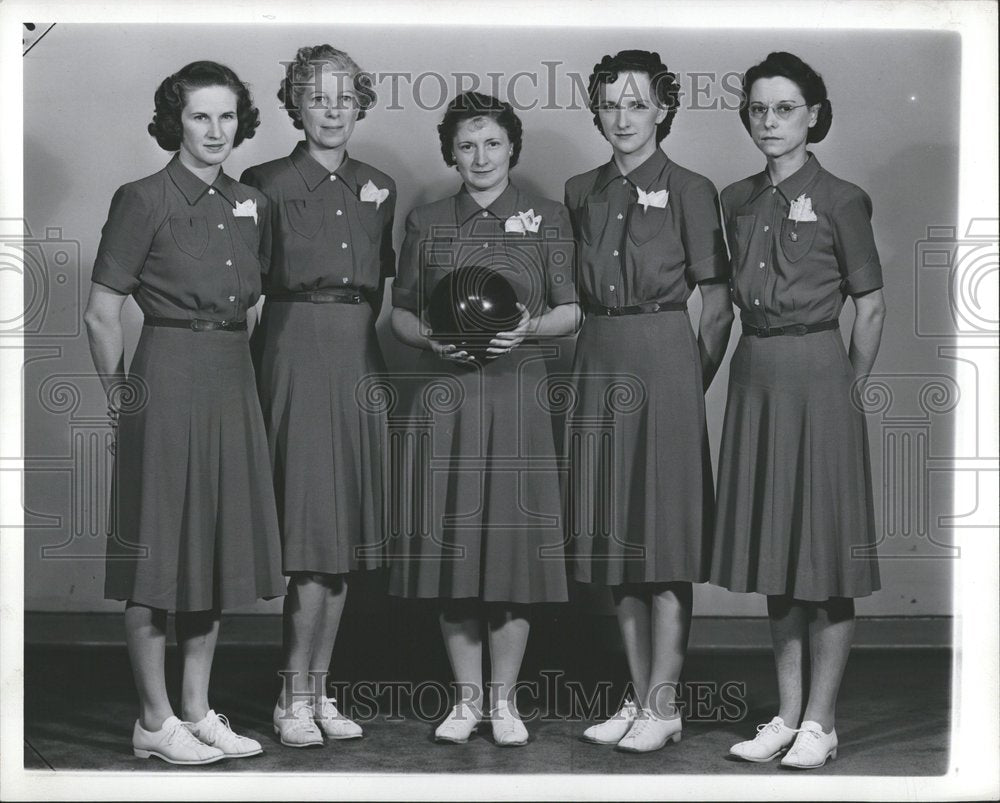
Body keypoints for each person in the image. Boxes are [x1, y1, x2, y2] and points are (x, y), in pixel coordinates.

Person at [83, 60, 285, 765]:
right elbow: (102, 310)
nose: (216, 130)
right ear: (176, 120)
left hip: (230, 381)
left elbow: (253, 304)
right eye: (201, 116)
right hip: (164, 379)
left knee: (214, 549)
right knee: (157, 552)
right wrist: (123, 404)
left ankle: (196, 710)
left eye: (227, 116)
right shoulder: (142, 198)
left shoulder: (249, 200)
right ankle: (153, 717)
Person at [710, 51, 887, 769]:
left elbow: (870, 305)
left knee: (827, 558)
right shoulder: (735, 198)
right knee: (777, 554)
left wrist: (847, 386)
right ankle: (786, 713)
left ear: (812, 114)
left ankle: (823, 720)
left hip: (820, 375)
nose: (769, 121)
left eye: (784, 108)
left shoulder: (843, 197)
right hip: (756, 374)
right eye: (758, 108)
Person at [389, 92, 580, 747]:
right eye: (466, 145)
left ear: (511, 148)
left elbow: (572, 309)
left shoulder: (548, 217)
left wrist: (528, 327)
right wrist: (428, 341)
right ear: (451, 151)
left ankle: (505, 702)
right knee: (457, 550)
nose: (480, 156)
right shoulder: (426, 221)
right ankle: (466, 700)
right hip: (450, 398)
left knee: (511, 553)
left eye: (492, 143)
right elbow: (402, 311)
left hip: (518, 396)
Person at [563, 50, 732, 753]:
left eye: (637, 103)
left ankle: (665, 703)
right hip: (598, 357)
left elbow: (718, 304)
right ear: (596, 110)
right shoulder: (580, 189)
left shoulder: (693, 187)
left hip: (665, 358)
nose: (622, 117)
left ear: (663, 109)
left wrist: (686, 382)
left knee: (662, 542)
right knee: (615, 542)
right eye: (610, 103)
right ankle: (640, 698)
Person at [241, 44, 394, 749]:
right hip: (294, 350)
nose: (331, 109)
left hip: (359, 356)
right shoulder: (261, 181)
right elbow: (244, 290)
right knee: (309, 539)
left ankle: (319, 688)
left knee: (340, 543)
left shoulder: (380, 186)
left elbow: (384, 294)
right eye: (316, 97)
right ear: (295, 107)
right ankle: (291, 695)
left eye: (344, 96)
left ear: (360, 103)